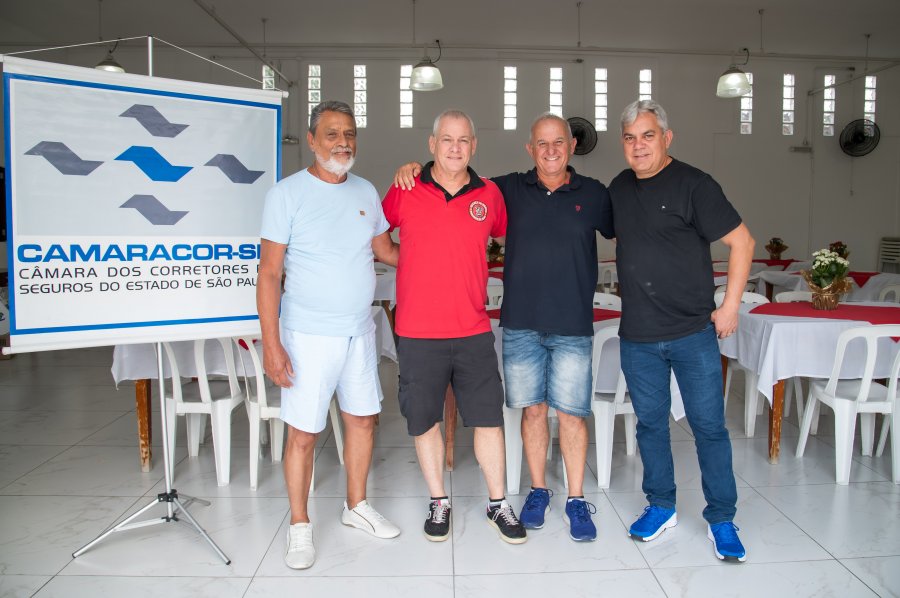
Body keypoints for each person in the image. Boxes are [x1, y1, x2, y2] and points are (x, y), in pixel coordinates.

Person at [393, 113, 613, 542]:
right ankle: (538, 491)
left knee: (571, 415)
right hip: (521, 323)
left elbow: (631, 232)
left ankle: (575, 498)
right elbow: (452, 179)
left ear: (572, 146)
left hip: (572, 324)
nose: (550, 151)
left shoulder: (595, 194)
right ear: (530, 149)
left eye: (559, 142)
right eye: (541, 143)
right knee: (532, 411)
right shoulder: (505, 189)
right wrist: (414, 169)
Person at [257, 100, 400, 571]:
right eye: (333, 134)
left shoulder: (365, 190)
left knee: (363, 420)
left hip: (359, 331)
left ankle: (356, 506)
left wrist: (445, 250)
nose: (343, 142)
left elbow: (386, 250)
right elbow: (269, 273)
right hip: (307, 335)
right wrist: (272, 344)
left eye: (350, 133)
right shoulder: (287, 194)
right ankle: (300, 524)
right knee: (303, 433)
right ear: (313, 140)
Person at [609, 99, 754, 562]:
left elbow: (742, 242)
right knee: (650, 426)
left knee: (708, 427)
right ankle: (662, 506)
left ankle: (722, 518)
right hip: (638, 337)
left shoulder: (695, 184)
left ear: (666, 138)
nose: (639, 146)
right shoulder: (619, 188)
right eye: (630, 138)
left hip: (692, 333)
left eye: (648, 135)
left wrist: (730, 306)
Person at [382, 109, 527, 544]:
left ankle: (497, 503)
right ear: (432, 144)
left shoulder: (490, 195)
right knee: (424, 419)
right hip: (417, 330)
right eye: (447, 139)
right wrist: (407, 259)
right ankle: (438, 500)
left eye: (463, 140)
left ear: (474, 146)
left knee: (488, 418)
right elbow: (377, 235)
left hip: (472, 328)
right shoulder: (406, 187)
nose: (455, 147)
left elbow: (501, 234)